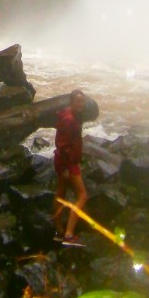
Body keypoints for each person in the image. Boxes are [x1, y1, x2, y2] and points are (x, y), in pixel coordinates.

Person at [53, 88, 89, 247]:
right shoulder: (69, 120)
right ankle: (68, 235)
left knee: (60, 193)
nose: (80, 104)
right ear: (71, 102)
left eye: (82, 101)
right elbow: (64, 145)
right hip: (67, 162)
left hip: (61, 161)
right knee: (82, 196)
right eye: (77, 101)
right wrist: (68, 168)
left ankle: (59, 231)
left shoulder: (67, 115)